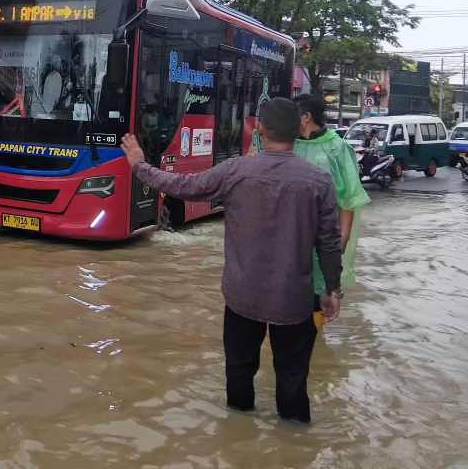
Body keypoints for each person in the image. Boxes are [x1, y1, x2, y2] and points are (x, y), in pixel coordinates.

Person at [120, 98, 342, 424]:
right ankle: (293, 458)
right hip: (293, 300)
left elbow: (183, 186)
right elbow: (329, 244)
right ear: (298, 130)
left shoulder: (235, 171)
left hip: (242, 297)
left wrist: (140, 166)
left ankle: (239, 442)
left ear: (260, 129)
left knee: (238, 377)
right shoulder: (318, 181)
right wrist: (332, 290)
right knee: (293, 382)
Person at [295, 94, 370, 331]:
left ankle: (314, 344)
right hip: (288, 236)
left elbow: (348, 201)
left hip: (322, 238)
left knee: (317, 297)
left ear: (306, 117)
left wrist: (341, 243)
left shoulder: (337, 148)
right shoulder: (288, 142)